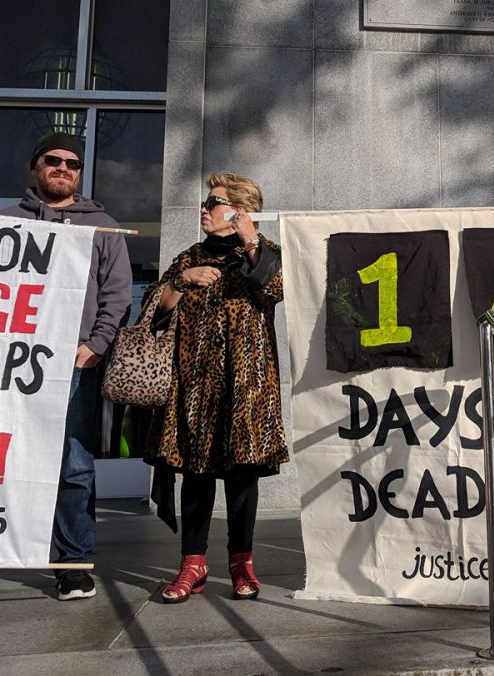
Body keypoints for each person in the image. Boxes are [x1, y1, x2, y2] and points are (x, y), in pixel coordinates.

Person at [0, 133, 133, 607]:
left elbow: (117, 295)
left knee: (74, 467)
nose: (63, 168)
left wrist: (96, 346)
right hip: (4, 365)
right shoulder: (1, 223)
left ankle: (72, 566)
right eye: (53, 160)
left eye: (72, 163)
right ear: (35, 167)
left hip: (72, 366)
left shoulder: (103, 228)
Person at [145, 172, 287, 603]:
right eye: (205, 204)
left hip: (247, 384)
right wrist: (181, 281)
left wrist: (251, 242)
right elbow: (154, 312)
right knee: (196, 473)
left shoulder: (267, 253)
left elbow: (277, 289)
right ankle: (193, 564)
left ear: (239, 211)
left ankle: (242, 563)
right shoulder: (190, 256)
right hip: (195, 385)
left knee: (243, 475)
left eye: (213, 203)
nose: (203, 210)